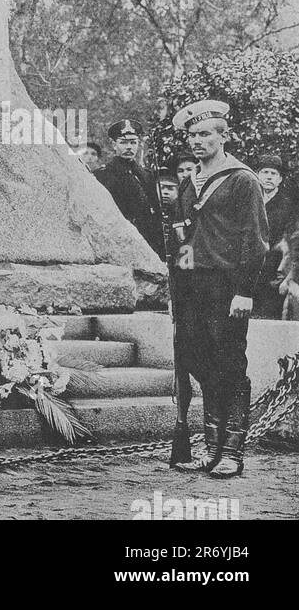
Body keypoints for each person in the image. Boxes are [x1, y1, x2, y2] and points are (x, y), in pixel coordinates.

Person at [170, 98, 267, 478]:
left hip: (227, 285)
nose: (197, 141)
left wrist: (244, 290)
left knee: (229, 363)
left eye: (205, 134)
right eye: (192, 135)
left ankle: (231, 452)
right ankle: (210, 449)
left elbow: (255, 240)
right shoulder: (187, 181)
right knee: (197, 359)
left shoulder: (243, 179)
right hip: (192, 285)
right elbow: (185, 238)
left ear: (224, 137)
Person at [95, 118, 165, 257]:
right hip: (122, 240)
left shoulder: (147, 175)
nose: (129, 147)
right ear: (114, 145)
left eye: (133, 142)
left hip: (150, 240)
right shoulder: (102, 175)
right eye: (123, 142)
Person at [252, 155, 297, 318]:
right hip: (250, 269)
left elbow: (291, 242)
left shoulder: (288, 205)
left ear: (280, 179)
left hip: (274, 271)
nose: (269, 176)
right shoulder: (250, 201)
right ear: (257, 175)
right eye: (265, 172)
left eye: (274, 173)